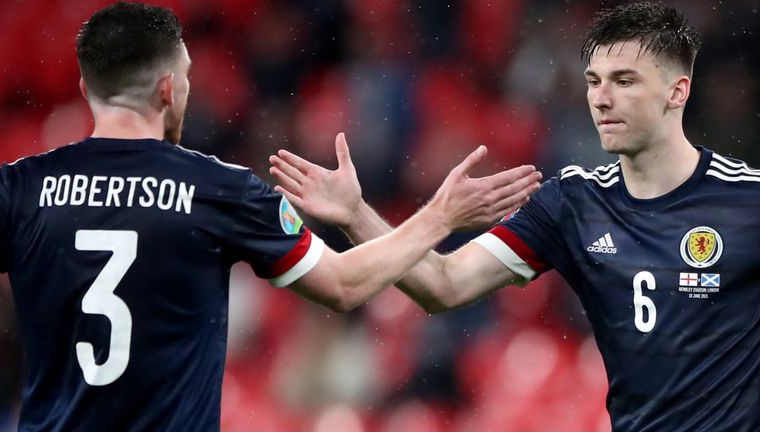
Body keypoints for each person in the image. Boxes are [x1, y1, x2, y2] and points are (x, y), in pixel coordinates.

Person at [0, 3, 542, 431]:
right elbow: (345, 286)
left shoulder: (16, 189)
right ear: (168, 88)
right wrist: (440, 218)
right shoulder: (218, 188)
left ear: (88, 89)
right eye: (184, 76)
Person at [269, 2, 760, 431]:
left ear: (677, 91)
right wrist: (356, 215)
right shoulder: (572, 203)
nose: (601, 98)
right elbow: (442, 284)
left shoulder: (747, 202)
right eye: (594, 81)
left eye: (624, 81)